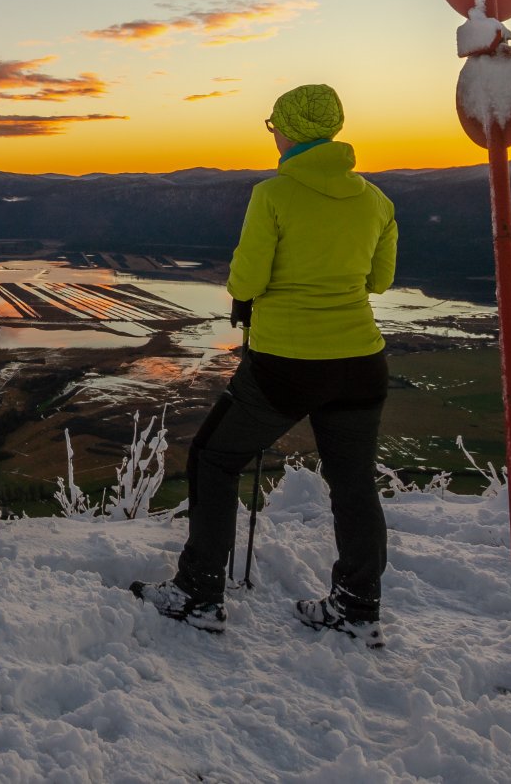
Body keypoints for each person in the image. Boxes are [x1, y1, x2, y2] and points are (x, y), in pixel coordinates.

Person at [134, 83, 398, 647]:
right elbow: (379, 281)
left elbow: (246, 281)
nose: (272, 134)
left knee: (212, 457)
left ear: (293, 131)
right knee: (353, 484)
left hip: (287, 365)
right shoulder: (376, 200)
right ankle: (357, 607)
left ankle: (199, 594)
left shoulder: (272, 195)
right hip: (361, 363)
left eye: (274, 125)